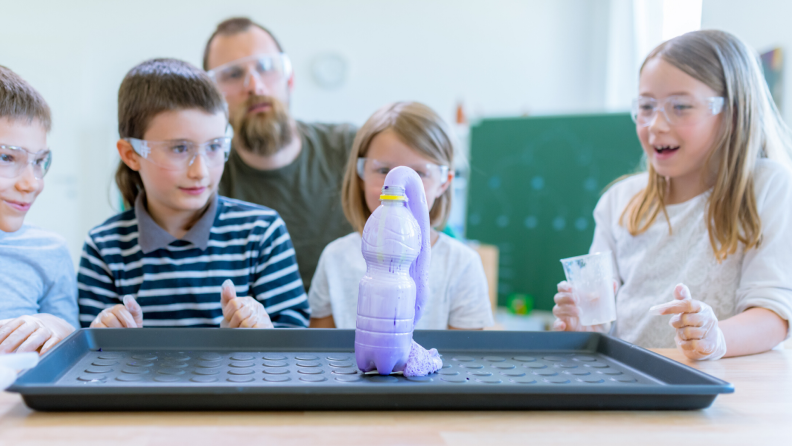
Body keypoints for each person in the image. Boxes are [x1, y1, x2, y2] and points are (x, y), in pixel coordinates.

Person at [552, 30, 792, 360]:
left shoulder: (768, 187)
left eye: (680, 106)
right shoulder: (619, 202)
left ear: (733, 113)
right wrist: (583, 322)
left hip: (722, 393)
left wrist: (715, 337)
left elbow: (773, 315)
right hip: (630, 385)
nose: (656, 125)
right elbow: (602, 317)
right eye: (646, 106)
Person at [77, 58, 309, 329]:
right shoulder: (103, 247)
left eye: (214, 147)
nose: (200, 171)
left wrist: (261, 332)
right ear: (131, 154)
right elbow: (94, 356)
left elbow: (294, 334)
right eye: (179, 149)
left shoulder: (262, 231)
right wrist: (108, 339)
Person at [203, 17, 357, 290]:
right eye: (233, 74)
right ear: (213, 97)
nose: (254, 86)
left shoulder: (352, 149)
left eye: (265, 67)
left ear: (290, 78)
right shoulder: (203, 179)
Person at [309, 102, 494, 330]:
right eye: (383, 171)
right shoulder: (334, 258)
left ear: (443, 183)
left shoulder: (461, 264)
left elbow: (465, 358)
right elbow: (318, 352)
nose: (399, 188)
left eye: (419, 173)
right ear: (360, 175)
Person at [0, 65, 77, 354]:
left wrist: (55, 326)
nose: (33, 183)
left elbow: (71, 350)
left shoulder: (49, 251)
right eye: (7, 157)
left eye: (39, 161)